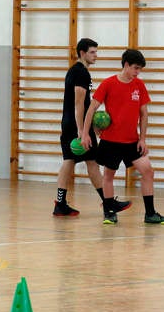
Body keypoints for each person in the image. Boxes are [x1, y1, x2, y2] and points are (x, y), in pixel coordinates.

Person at [81, 48, 164, 225]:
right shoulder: (108, 83)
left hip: (132, 142)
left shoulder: (139, 85)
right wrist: (86, 133)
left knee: (148, 172)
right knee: (108, 176)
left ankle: (150, 214)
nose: (137, 73)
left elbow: (144, 114)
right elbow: (91, 108)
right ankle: (108, 212)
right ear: (126, 65)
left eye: (140, 70)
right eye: (136, 68)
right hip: (110, 141)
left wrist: (143, 138)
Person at [54, 38, 131, 217]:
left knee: (70, 160)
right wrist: (82, 130)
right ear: (82, 53)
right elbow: (79, 102)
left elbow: (83, 101)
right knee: (92, 163)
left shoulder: (75, 71)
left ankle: (60, 203)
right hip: (76, 124)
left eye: (96, 52)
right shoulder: (81, 73)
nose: (96, 55)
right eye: (92, 52)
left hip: (68, 123)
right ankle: (108, 202)